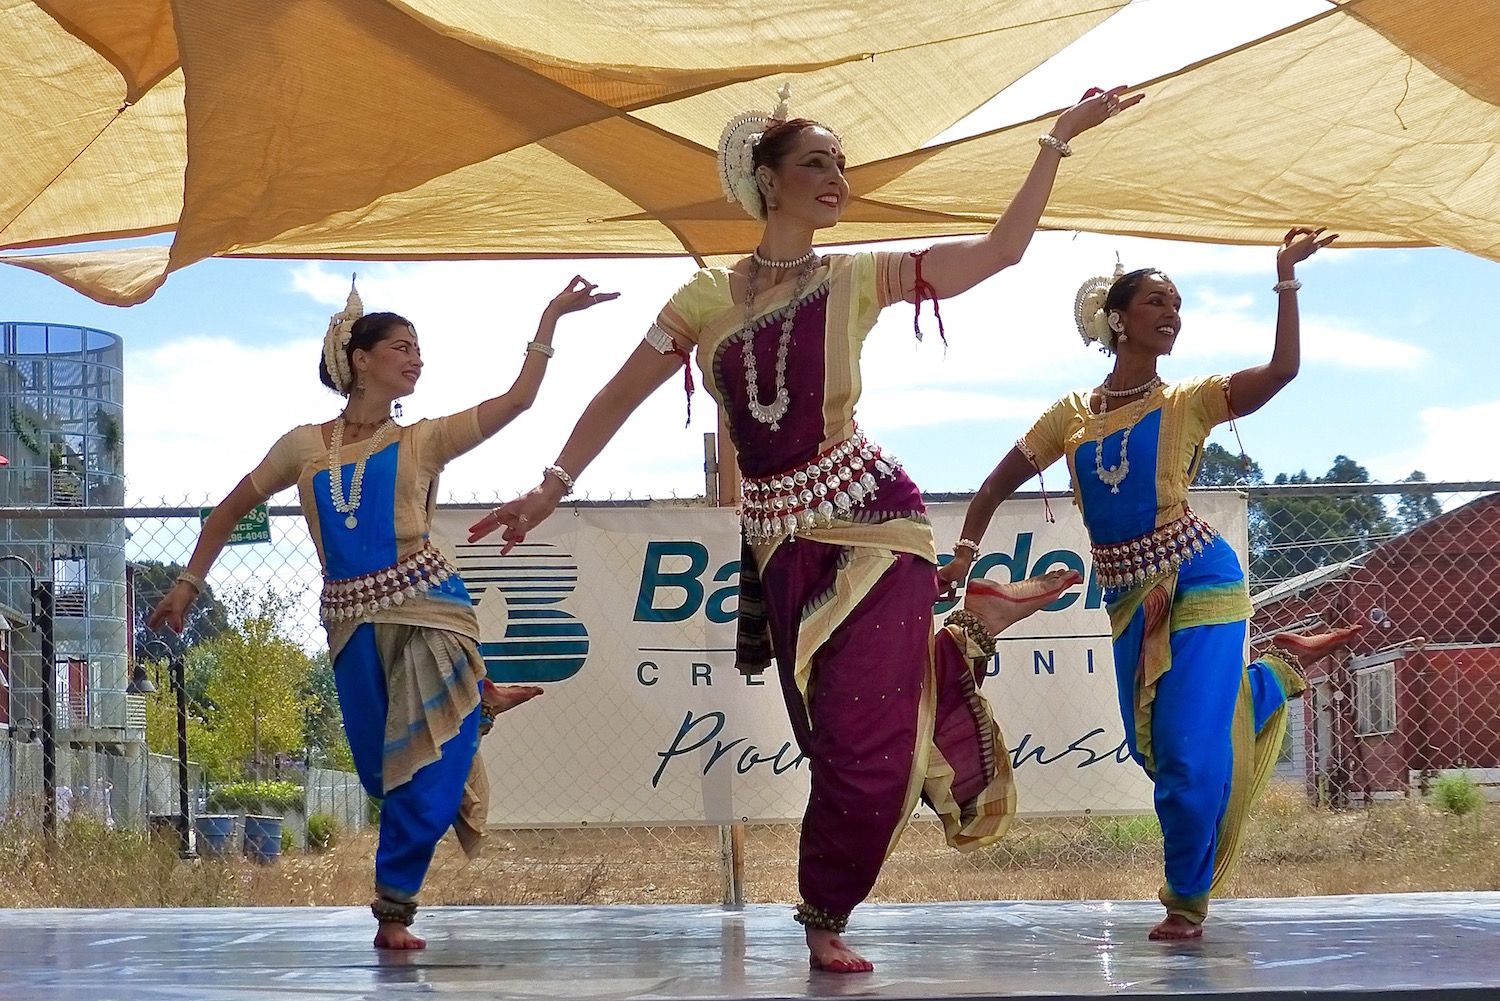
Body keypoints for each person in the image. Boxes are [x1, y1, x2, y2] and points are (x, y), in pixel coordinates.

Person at [466, 83, 1139, 972]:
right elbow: (616, 397)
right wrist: (551, 485)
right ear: (767, 181)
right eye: (816, 163)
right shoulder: (704, 299)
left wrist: (1056, 140)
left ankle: (824, 909)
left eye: (841, 167)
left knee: (866, 756)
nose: (836, 179)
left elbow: (999, 254)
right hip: (782, 546)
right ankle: (963, 639)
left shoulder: (857, 275)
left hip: (878, 522)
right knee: (835, 745)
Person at [148, 275, 616, 949]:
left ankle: (394, 907)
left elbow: (518, 401)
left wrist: (549, 320)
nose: (416, 358)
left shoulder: (424, 438)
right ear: (360, 358)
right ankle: (478, 704)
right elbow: (230, 507)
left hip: (431, 610)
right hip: (350, 620)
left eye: (419, 349)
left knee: (422, 776)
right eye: (402, 346)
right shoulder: (303, 446)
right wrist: (190, 582)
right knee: (381, 768)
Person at [940, 230, 1364, 940]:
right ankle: (1276, 673)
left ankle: (1184, 902)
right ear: (1117, 318)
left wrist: (1285, 280)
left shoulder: (1191, 401)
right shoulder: (1069, 415)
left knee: (1192, 762)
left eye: (1178, 303)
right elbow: (993, 484)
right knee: (1157, 752)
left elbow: (1283, 370)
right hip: (1126, 599)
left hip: (1200, 578)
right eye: (1156, 301)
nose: (1171, 313)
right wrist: (964, 552)